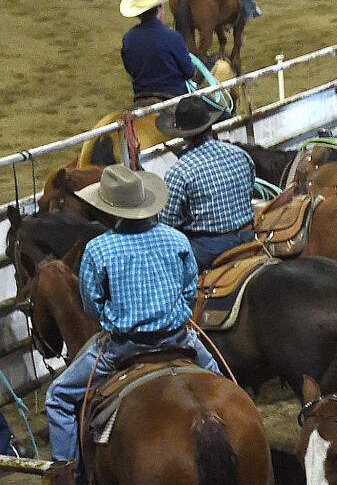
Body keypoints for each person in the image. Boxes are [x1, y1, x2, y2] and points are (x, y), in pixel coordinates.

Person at [43, 165, 223, 465]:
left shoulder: (98, 249)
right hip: (179, 339)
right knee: (222, 381)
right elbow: (190, 289)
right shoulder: (176, 239)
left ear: (109, 209)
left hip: (123, 348)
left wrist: (113, 317)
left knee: (59, 396)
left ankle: (66, 482)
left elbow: (92, 304)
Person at [159, 97, 256, 269]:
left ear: (182, 136)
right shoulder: (240, 154)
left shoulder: (179, 172)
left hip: (209, 248)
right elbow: (250, 191)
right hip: (248, 235)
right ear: (210, 127)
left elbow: (168, 226)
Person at [119, 0, 195, 105]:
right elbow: (189, 72)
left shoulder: (128, 38)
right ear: (159, 8)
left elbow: (130, 68)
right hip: (173, 96)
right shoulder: (173, 37)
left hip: (141, 96)